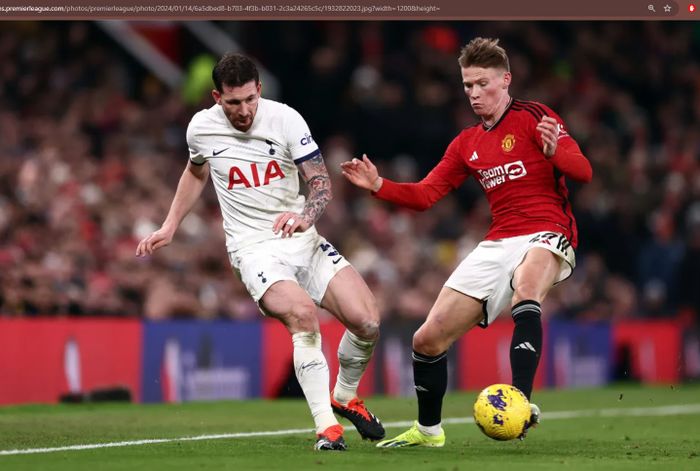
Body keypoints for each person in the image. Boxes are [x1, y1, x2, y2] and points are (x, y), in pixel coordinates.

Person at [341, 37, 592, 448]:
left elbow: (583, 172)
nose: (474, 93)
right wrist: (379, 185)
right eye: (467, 85)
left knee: (526, 289)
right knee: (427, 338)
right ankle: (428, 431)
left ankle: (521, 403)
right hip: (497, 242)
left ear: (505, 80)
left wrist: (554, 152)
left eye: (482, 83)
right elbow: (425, 195)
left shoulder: (535, 116)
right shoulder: (466, 143)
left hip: (549, 231)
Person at [136, 53, 385, 451]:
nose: (244, 110)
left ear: (260, 91)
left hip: (303, 238)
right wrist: (169, 225)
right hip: (253, 249)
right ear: (217, 97)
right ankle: (327, 427)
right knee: (303, 315)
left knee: (368, 321)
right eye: (233, 103)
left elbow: (320, 183)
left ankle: (344, 395)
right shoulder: (201, 128)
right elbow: (196, 170)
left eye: (250, 99)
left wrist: (306, 216)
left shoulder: (285, 119)